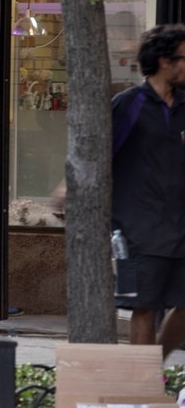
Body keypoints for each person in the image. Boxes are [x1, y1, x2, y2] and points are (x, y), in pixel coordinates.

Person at [112, 24, 185, 356]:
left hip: (179, 223)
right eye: (183, 58)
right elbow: (97, 155)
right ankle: (141, 393)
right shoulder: (129, 104)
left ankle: (151, 368)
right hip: (138, 227)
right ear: (164, 61)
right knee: (145, 307)